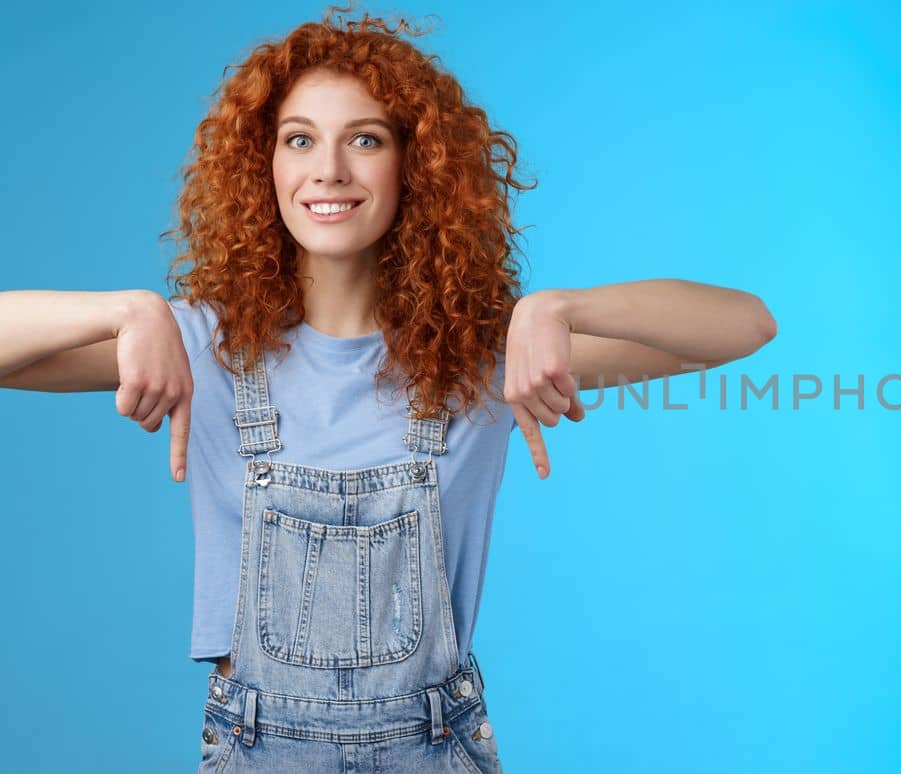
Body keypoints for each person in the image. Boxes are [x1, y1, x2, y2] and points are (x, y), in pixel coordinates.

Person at [0, 8, 775, 772]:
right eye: (299, 139)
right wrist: (127, 310)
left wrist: (559, 309)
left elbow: (745, 326)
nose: (328, 171)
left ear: (416, 164)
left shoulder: (485, 356)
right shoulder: (200, 345)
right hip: (257, 749)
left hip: (434, 748)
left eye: (364, 139)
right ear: (261, 164)